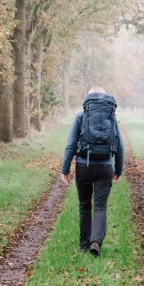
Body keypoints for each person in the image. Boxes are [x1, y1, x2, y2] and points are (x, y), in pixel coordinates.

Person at [60, 86, 124, 257]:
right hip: (105, 167)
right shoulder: (111, 116)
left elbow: (70, 144)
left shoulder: (81, 116)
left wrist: (65, 169)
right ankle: (96, 241)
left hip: (84, 166)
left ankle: (84, 244)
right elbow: (120, 145)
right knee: (100, 206)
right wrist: (118, 169)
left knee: (84, 205)